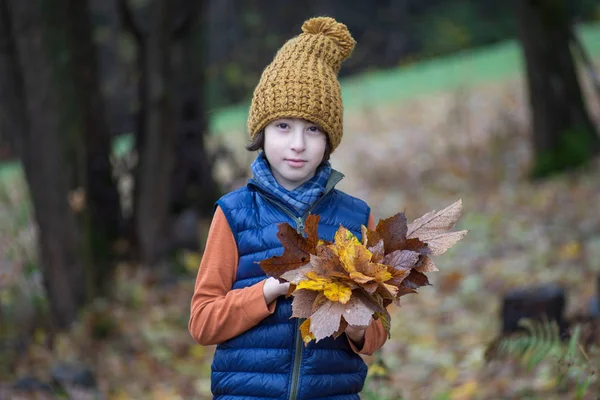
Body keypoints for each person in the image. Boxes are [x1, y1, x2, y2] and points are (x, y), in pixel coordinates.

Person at [188, 16, 387, 400]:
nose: (297, 144)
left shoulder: (356, 218)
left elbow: (376, 334)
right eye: (283, 126)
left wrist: (355, 322)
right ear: (260, 131)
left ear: (329, 139)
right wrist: (268, 290)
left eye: (313, 129)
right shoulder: (233, 214)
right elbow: (202, 322)